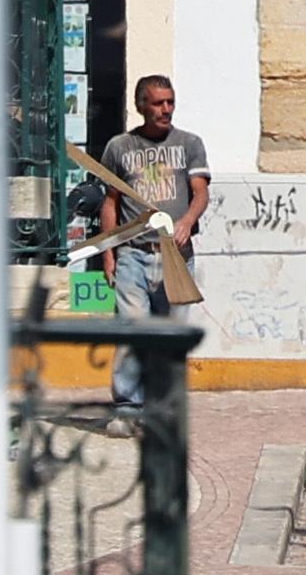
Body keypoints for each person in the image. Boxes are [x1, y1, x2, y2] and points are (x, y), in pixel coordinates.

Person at [88, 76, 215, 405]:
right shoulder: (120, 147)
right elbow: (110, 203)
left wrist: (187, 221)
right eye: (159, 103)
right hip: (133, 254)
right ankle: (128, 406)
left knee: (171, 337)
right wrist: (108, 254)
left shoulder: (189, 144)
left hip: (177, 255)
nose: (166, 109)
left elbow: (201, 193)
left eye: (170, 102)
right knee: (132, 335)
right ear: (141, 106)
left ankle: (162, 408)